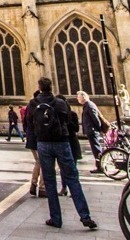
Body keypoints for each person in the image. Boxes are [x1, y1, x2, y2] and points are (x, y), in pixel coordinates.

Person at [29, 77, 97, 230]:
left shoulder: (34, 103)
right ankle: (85, 216)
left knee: (50, 182)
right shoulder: (60, 103)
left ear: (39, 87)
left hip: (44, 144)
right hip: (62, 142)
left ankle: (56, 218)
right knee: (72, 179)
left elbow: (29, 122)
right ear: (51, 87)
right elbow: (70, 123)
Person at [22, 90, 48, 198]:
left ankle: (33, 184)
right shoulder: (42, 107)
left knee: (38, 161)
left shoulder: (29, 106)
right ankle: (42, 187)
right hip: (40, 137)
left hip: (31, 137)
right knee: (44, 162)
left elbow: (25, 122)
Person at [76, 91, 106, 172]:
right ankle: (100, 165)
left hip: (92, 130)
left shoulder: (89, 105)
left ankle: (101, 166)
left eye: (78, 97)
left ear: (83, 97)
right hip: (91, 130)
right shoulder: (87, 105)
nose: (77, 99)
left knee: (96, 148)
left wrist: (98, 129)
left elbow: (95, 118)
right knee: (95, 148)